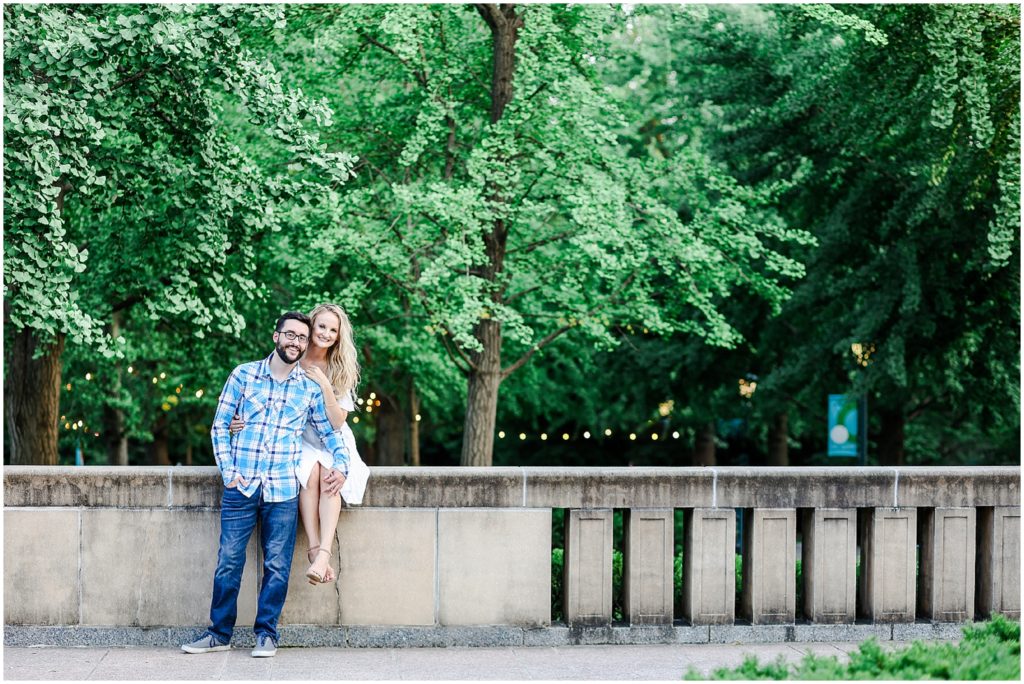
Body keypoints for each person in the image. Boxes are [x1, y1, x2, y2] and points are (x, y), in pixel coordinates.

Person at [181, 311, 350, 658]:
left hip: (283, 490)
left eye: (302, 338)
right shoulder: (243, 376)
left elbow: (331, 434)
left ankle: (266, 634)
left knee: (277, 565)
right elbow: (219, 427)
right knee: (228, 560)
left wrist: (343, 465)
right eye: (290, 335)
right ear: (276, 337)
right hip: (241, 487)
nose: (296, 342)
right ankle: (218, 633)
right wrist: (230, 473)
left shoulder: (308, 389)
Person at [229, 303, 369, 586]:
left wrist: (325, 384)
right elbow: (266, 391)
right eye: (321, 326)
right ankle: (313, 548)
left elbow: (337, 423)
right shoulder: (293, 353)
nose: (326, 334)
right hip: (297, 436)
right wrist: (241, 420)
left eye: (333, 330)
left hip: (331, 437)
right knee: (309, 470)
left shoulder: (341, 368)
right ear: (310, 326)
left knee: (330, 472)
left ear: (339, 336)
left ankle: (322, 554)